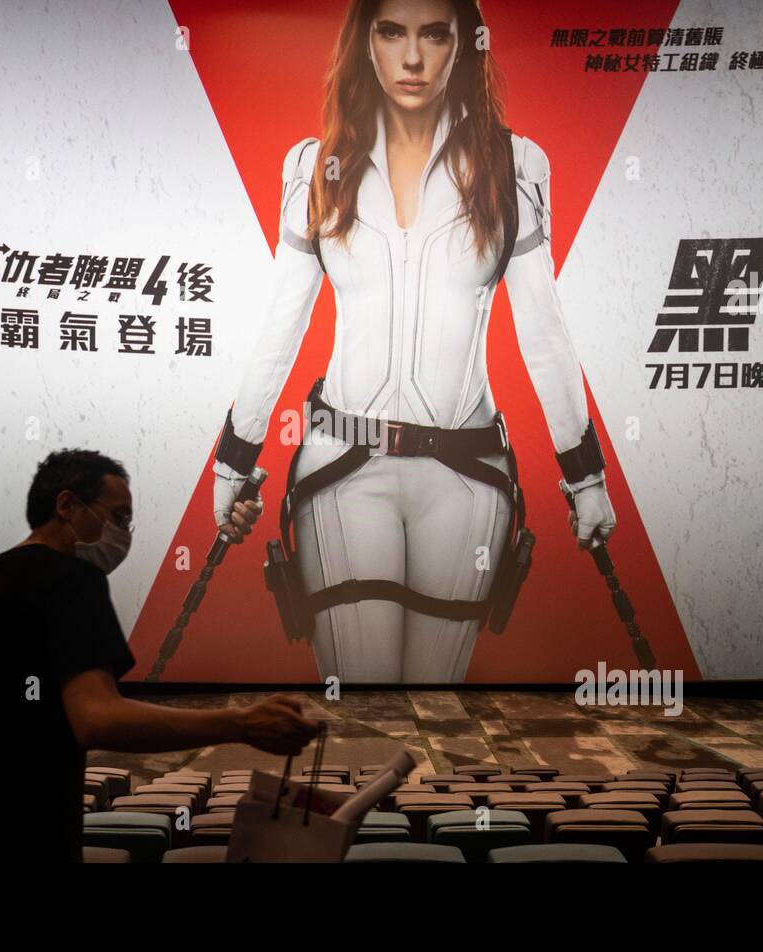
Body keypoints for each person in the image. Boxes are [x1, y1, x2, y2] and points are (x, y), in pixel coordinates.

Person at [210, 0, 617, 684]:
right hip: (342, 466)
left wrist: (587, 481)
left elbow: (544, 332)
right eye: (391, 32)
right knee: (361, 706)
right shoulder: (317, 167)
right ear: (364, 41)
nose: (412, 58)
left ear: (464, 44)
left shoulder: (514, 165)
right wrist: (233, 464)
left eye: (434, 34)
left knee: (436, 709)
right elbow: (282, 325)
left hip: (467, 475)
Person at [0, 448, 318, 863]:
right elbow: (98, 718)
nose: (125, 533)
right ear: (67, 505)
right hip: (17, 840)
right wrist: (242, 724)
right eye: (118, 517)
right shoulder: (72, 580)